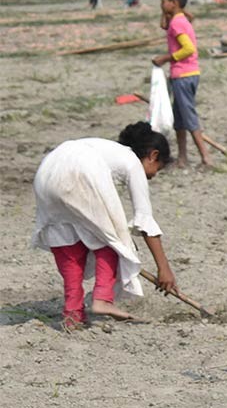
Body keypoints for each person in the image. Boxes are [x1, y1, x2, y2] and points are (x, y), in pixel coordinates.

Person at [32, 122, 179, 329]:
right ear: (153, 155)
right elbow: (144, 220)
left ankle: (72, 314)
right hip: (81, 170)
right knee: (114, 240)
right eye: (158, 169)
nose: (153, 175)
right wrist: (164, 269)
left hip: (46, 171)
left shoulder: (102, 148)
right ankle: (102, 299)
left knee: (67, 244)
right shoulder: (132, 162)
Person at [152, 0, 213, 167]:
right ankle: (182, 158)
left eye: (164, 2)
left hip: (184, 75)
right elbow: (164, 25)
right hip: (186, 74)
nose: (161, 5)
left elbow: (188, 49)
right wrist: (166, 10)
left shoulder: (178, 23)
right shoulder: (180, 20)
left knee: (189, 118)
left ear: (175, 3)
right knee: (179, 120)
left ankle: (206, 157)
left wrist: (165, 58)